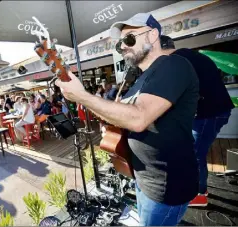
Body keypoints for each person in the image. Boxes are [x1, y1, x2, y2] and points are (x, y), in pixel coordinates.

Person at [56, 13, 199, 226]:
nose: (123, 47)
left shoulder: (174, 65)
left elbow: (139, 118)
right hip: (142, 177)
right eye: (120, 44)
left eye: (130, 39)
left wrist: (83, 97)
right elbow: (121, 114)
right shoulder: (140, 78)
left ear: (152, 35)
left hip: (167, 186)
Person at [161, 35, 235, 206]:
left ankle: (200, 194)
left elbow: (180, 92)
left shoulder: (176, 61)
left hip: (209, 113)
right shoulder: (194, 56)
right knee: (196, 151)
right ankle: (201, 187)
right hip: (219, 110)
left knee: (195, 154)